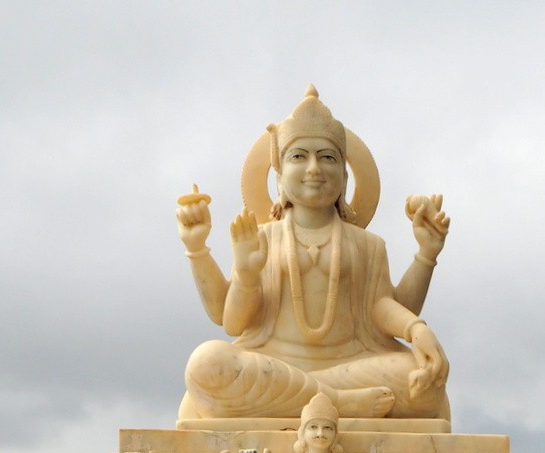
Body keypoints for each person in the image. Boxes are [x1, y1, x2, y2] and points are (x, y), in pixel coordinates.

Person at [175, 87, 452, 422]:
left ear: (344, 177)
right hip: (275, 363)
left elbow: (381, 308)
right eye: (298, 156)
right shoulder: (262, 238)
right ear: (279, 177)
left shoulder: (368, 244)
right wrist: (242, 273)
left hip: (348, 367)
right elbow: (233, 323)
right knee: (207, 363)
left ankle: (310, 399)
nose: (313, 168)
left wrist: (424, 270)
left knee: (424, 379)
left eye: (327, 157)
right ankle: (337, 403)